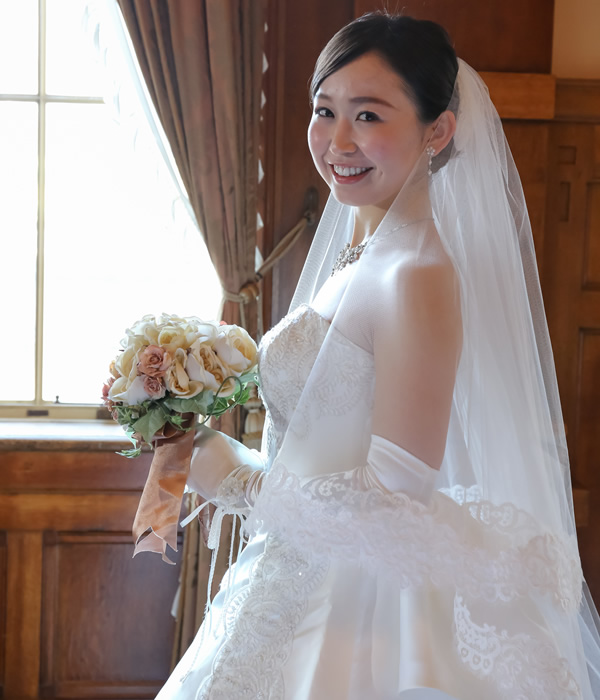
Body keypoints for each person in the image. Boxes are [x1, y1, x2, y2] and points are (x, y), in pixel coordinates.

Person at [154, 12, 600, 699]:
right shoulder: (360, 256)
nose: (338, 141)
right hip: (293, 574)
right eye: (324, 110)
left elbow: (395, 494)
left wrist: (238, 479)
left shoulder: (417, 272)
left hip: (358, 617)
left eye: (368, 115)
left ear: (438, 130)